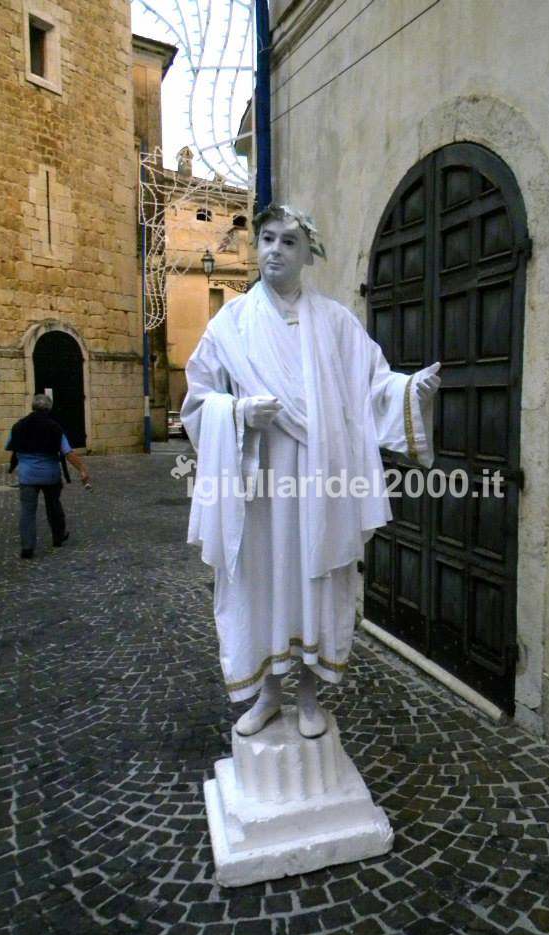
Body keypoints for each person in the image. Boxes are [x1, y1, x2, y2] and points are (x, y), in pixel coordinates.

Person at [182, 203, 440, 739]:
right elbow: (199, 399)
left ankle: (307, 693)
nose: (275, 250)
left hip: (323, 479)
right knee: (263, 579)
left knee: (316, 579)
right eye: (268, 239)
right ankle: (268, 692)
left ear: (308, 255)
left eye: (289, 242)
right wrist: (237, 413)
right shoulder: (230, 324)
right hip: (259, 482)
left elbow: (372, 383)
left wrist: (409, 390)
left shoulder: (337, 322)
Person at [6, 394, 90, 559]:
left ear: (32, 407)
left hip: (27, 476)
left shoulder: (18, 426)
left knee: (27, 511)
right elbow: (68, 453)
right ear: (49, 409)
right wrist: (82, 469)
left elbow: (10, 445)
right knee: (53, 506)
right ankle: (58, 537)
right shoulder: (55, 427)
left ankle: (27, 547)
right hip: (50, 475)